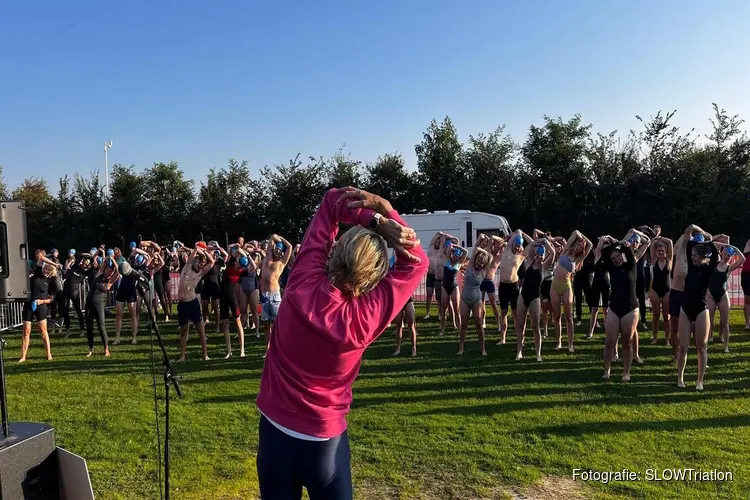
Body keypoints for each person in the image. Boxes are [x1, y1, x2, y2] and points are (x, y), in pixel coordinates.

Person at [255, 187, 426, 499]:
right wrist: (389, 211)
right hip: (324, 443)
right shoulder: (365, 319)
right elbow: (417, 263)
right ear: (375, 276)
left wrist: (376, 220)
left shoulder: (300, 284)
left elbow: (332, 201)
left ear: (335, 250)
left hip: (275, 434)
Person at [600, 229, 649, 381]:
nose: (616, 259)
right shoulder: (612, 268)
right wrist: (616, 243)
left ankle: (626, 372)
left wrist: (622, 244)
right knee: (609, 341)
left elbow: (628, 251)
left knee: (627, 342)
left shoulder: (631, 265)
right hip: (614, 307)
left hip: (631, 308)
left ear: (622, 255)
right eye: (613, 258)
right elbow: (605, 252)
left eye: (617, 256)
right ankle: (607, 370)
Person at [677, 227, 718, 390]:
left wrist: (708, 239)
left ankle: (699, 380)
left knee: (701, 347)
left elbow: (714, 253)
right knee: (683, 347)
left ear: (701, 257)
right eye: (692, 255)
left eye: (695, 256)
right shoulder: (692, 267)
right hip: (685, 308)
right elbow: (687, 238)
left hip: (701, 309)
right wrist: (694, 228)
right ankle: (680, 378)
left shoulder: (708, 270)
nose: (692, 258)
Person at [550, 230, 593, 352]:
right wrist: (581, 238)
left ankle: (570, 344)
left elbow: (590, 245)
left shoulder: (578, 259)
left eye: (581, 247)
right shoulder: (565, 250)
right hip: (555, 285)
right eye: (579, 244)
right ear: (575, 244)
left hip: (566, 286)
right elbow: (575, 232)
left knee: (568, 317)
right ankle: (558, 342)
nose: (579, 247)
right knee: (556, 316)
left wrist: (584, 241)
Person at [516, 238, 555, 362]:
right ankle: (519, 351)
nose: (538, 256)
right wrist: (536, 243)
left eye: (541, 255)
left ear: (544, 256)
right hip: (523, 296)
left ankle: (538, 353)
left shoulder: (544, 267)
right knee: (520, 325)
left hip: (535, 298)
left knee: (535, 326)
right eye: (537, 254)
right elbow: (528, 250)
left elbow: (553, 253)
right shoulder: (528, 263)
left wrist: (545, 242)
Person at [176, 243, 215, 362]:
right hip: (182, 304)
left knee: (200, 330)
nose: (200, 265)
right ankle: (182, 356)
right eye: (199, 262)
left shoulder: (200, 273)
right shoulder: (187, 265)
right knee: (184, 331)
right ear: (194, 261)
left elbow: (212, 262)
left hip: (192, 303)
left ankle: (205, 354)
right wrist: (198, 250)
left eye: (202, 264)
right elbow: (194, 252)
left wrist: (204, 253)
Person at [457, 236, 492, 356]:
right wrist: (481, 238)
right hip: (465, 299)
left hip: (477, 299)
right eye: (478, 261)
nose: (478, 264)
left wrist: (485, 256)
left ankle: (483, 349)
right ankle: (461, 348)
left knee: (479, 325)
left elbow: (490, 257)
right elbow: (476, 248)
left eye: (481, 263)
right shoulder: (471, 265)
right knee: (463, 326)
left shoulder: (483, 271)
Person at [707, 244, 744, 353]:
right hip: (711, 294)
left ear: (731, 257)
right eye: (725, 254)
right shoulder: (714, 263)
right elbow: (712, 244)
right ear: (722, 254)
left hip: (722, 295)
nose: (726, 257)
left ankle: (726, 346)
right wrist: (724, 245)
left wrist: (736, 249)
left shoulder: (729, 267)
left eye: (729, 255)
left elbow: (743, 259)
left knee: (724, 323)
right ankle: (710, 336)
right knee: (710, 319)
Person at [496, 231, 532, 345]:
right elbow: (518, 232)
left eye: (519, 245)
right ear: (512, 244)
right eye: (516, 245)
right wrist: (513, 235)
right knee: (504, 312)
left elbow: (532, 243)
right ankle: (503, 338)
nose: (517, 247)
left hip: (513, 285)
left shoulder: (521, 255)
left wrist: (523, 235)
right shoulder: (506, 249)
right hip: (503, 285)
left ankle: (520, 338)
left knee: (516, 314)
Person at [260, 235, 293, 354]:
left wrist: (282, 241)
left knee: (277, 325)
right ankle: (268, 349)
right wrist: (277, 240)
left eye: (279, 250)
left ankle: (278, 348)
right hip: (264, 295)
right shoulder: (268, 257)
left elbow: (289, 247)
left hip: (274, 296)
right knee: (266, 325)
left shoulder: (281, 263)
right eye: (276, 249)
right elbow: (273, 236)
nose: (277, 251)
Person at [19, 262, 56, 363]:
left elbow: (51, 299)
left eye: (48, 269)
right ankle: (23, 356)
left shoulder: (50, 281)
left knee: (43, 331)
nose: (46, 270)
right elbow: (40, 259)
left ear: (51, 272)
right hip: (29, 305)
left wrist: (41, 301)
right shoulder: (37, 274)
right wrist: (51, 262)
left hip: (41, 306)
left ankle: (49, 354)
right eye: (45, 268)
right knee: (26, 331)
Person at [219, 244, 252, 358]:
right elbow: (233, 249)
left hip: (232, 298)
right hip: (223, 297)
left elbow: (253, 265)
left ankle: (242, 350)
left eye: (240, 265)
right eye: (238, 262)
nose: (237, 265)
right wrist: (239, 250)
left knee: (238, 324)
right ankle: (229, 351)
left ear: (243, 267)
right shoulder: (231, 263)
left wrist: (247, 256)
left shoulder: (242, 272)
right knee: (225, 324)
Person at [115, 242, 149, 345]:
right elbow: (135, 251)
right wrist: (145, 253)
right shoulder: (129, 262)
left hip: (131, 290)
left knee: (133, 316)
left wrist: (147, 256)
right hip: (122, 289)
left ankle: (134, 337)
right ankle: (117, 338)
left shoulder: (141, 269)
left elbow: (149, 260)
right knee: (118, 315)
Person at [85, 254, 119, 357]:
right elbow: (103, 264)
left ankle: (106, 349)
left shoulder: (110, 281)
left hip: (99, 305)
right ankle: (91, 348)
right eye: (107, 270)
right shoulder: (98, 275)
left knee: (101, 327)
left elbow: (118, 272)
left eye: (110, 272)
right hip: (89, 304)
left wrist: (113, 260)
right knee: (89, 327)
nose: (108, 272)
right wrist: (107, 258)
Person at [439, 240, 468, 336]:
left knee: (456, 309)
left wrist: (456, 246)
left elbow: (466, 252)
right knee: (444, 309)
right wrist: (452, 247)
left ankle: (460, 330)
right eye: (455, 255)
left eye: (457, 256)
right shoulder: (447, 259)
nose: (456, 258)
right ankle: (442, 330)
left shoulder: (459, 263)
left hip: (454, 287)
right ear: (452, 254)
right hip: (445, 287)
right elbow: (448, 246)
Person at [648, 236, 673, 345]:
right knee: (656, 315)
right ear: (656, 252)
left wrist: (662, 238)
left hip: (667, 290)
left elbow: (670, 242)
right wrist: (657, 240)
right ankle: (655, 337)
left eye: (663, 250)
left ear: (666, 251)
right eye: (659, 251)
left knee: (667, 316)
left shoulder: (670, 260)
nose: (661, 252)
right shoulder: (653, 260)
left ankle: (667, 339)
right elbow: (651, 243)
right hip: (655, 290)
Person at [479, 236, 505, 331]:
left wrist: (502, 243)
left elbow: (507, 246)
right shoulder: (488, 253)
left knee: (493, 304)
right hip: (482, 280)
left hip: (489, 281)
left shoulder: (500, 256)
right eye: (496, 246)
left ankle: (498, 323)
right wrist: (496, 240)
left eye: (499, 247)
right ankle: (483, 321)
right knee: (481, 303)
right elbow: (491, 239)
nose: (497, 248)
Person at [742, 238, 750, 330]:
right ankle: (747, 323)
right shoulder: (748, 243)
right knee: (747, 300)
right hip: (747, 274)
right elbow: (745, 250)